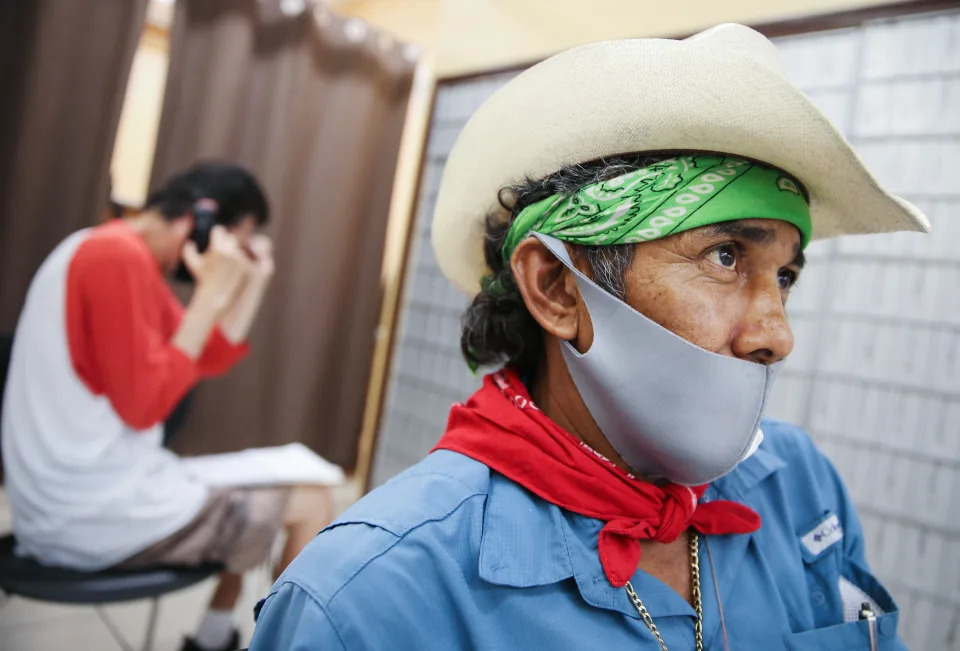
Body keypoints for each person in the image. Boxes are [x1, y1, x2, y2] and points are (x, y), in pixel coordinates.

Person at [249, 24, 929, 650]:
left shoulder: (799, 484)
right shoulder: (371, 600)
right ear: (556, 287)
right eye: (725, 256)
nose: (777, 335)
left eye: (784, 276)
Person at [1, 162, 335, 651]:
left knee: (258, 493)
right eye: (237, 242)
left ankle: (213, 638)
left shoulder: (115, 251)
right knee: (312, 501)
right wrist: (211, 292)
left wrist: (252, 283)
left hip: (84, 495)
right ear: (203, 221)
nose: (238, 257)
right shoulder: (115, 259)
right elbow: (145, 407)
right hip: (87, 513)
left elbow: (208, 354)